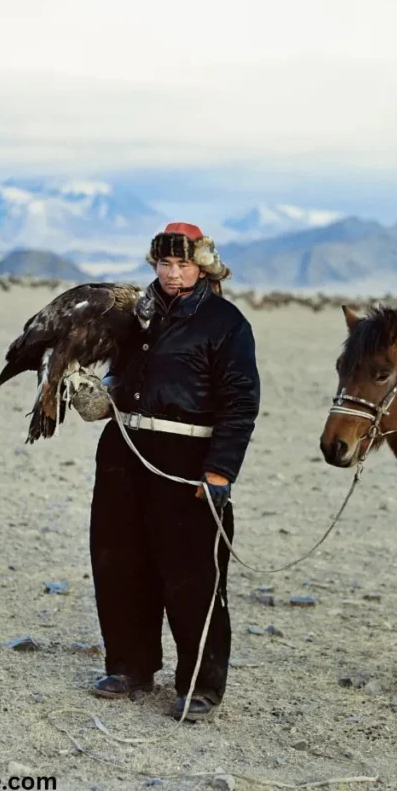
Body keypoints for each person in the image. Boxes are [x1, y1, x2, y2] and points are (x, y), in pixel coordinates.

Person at [70, 223, 260, 721]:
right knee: (119, 562)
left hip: (188, 458)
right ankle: (129, 667)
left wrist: (219, 472)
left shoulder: (226, 323)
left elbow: (241, 402)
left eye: (183, 264)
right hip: (124, 450)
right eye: (165, 263)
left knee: (192, 575)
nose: (173, 274)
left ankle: (200, 685)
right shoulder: (134, 316)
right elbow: (122, 373)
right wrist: (102, 395)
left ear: (203, 266)